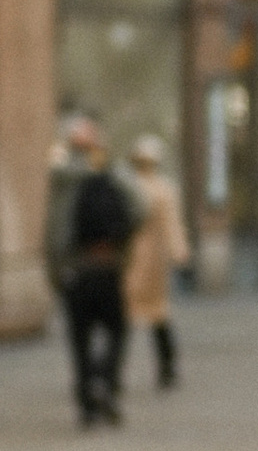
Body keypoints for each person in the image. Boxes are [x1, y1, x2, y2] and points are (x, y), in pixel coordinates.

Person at [47, 121, 134, 426]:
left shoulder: (59, 179)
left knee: (79, 340)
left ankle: (86, 406)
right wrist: (123, 250)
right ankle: (106, 382)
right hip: (107, 267)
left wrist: (55, 273)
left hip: (75, 271)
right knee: (117, 331)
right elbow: (140, 207)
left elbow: (52, 233)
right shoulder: (110, 173)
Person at [122, 135, 190, 389]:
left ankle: (165, 366)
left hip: (148, 259)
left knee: (150, 314)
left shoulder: (157, 188)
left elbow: (173, 224)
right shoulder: (143, 187)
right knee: (143, 314)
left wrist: (178, 250)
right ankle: (163, 367)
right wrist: (179, 251)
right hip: (139, 258)